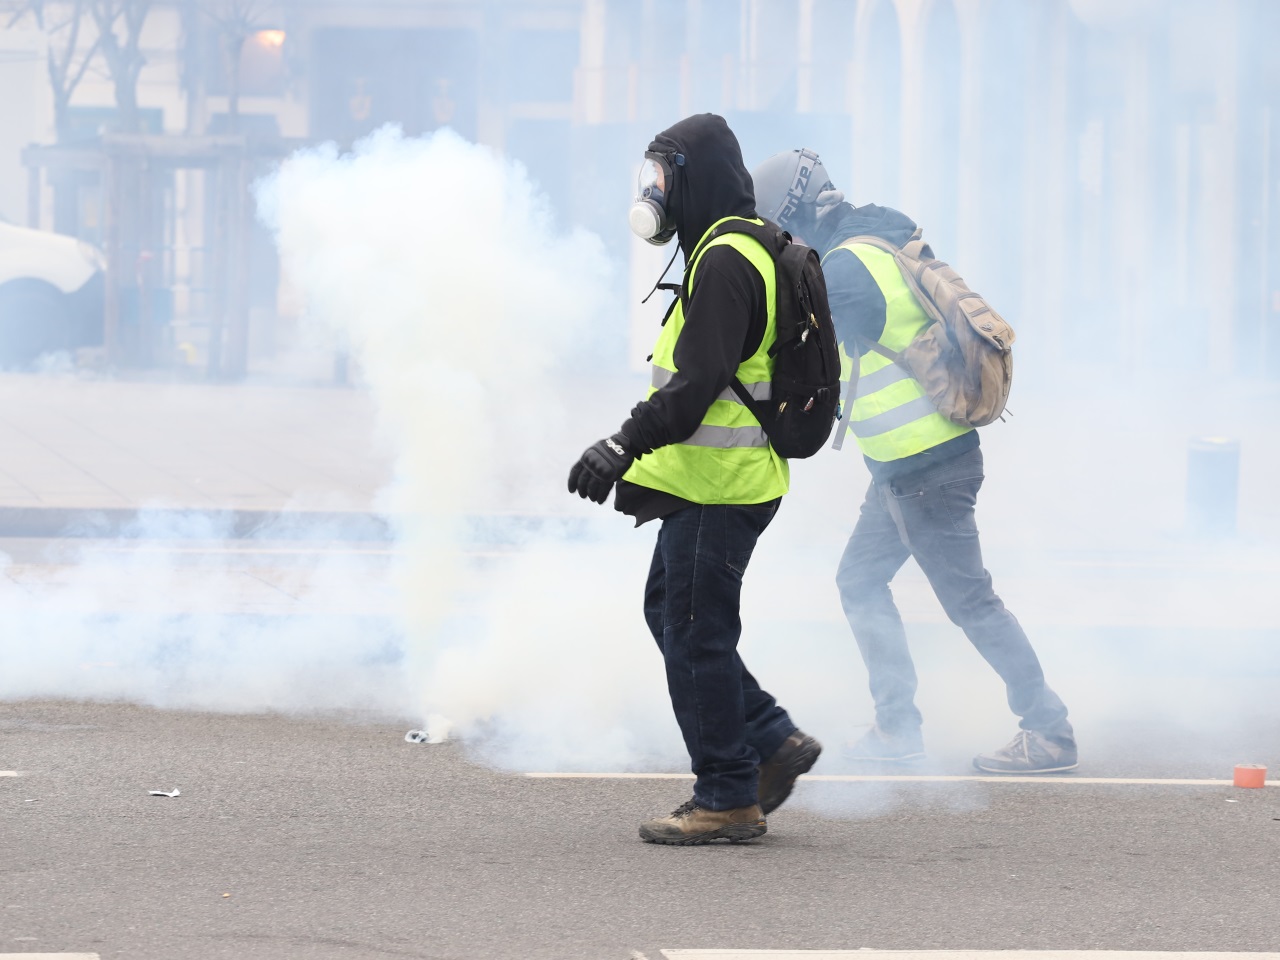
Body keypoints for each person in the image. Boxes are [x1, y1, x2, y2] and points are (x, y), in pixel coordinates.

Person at [749, 148, 1077, 774]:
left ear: (791, 218)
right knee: (860, 580)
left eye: (775, 228)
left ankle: (1050, 730)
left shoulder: (845, 269)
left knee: (969, 601)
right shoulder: (871, 243)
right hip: (902, 470)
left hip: (926, 467)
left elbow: (801, 359)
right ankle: (898, 727)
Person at [567, 115, 822, 844]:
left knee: (695, 632)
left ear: (695, 177)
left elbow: (701, 381)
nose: (654, 194)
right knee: (672, 616)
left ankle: (727, 795)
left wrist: (621, 443)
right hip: (717, 481)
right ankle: (770, 738)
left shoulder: (728, 260)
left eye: (662, 178)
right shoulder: (730, 246)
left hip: (720, 484)